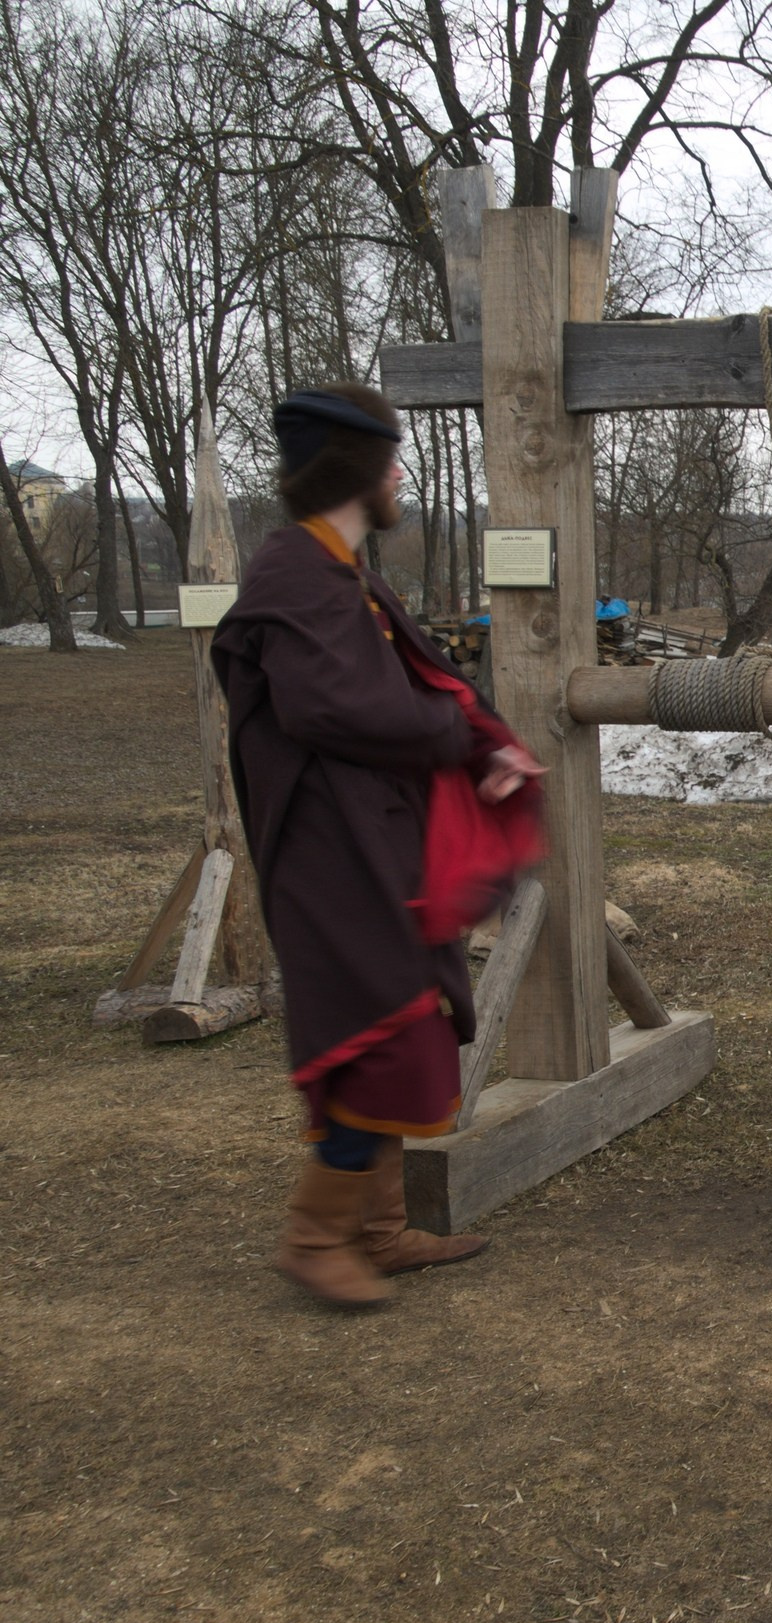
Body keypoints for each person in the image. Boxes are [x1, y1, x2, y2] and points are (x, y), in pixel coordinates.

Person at [213, 385, 545, 1309]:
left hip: (371, 843)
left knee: (402, 1020)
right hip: (331, 855)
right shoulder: (295, 578)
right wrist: (450, 734)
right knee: (379, 1037)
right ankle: (317, 1239)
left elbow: (407, 682)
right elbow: (335, 706)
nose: (401, 475)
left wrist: (479, 737)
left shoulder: (342, 572)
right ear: (353, 471)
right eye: (389, 460)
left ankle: (383, 1232)